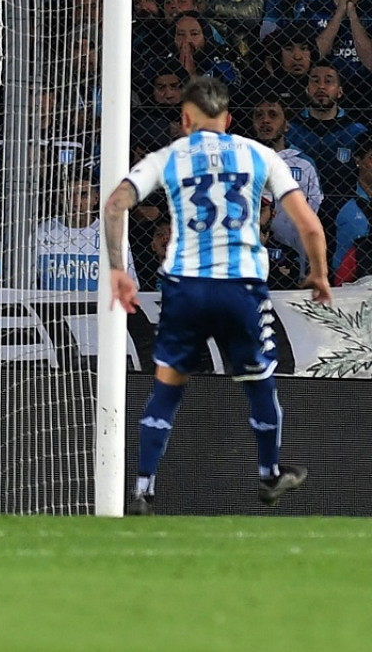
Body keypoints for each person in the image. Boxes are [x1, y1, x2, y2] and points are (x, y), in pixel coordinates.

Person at [103, 77, 332, 516]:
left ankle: (143, 488)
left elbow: (114, 205)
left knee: (167, 385)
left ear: (186, 120)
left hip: (185, 287)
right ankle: (269, 474)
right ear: (228, 120)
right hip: (240, 286)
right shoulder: (260, 154)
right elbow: (309, 225)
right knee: (259, 382)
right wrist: (319, 275)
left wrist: (119, 271)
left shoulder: (168, 156)